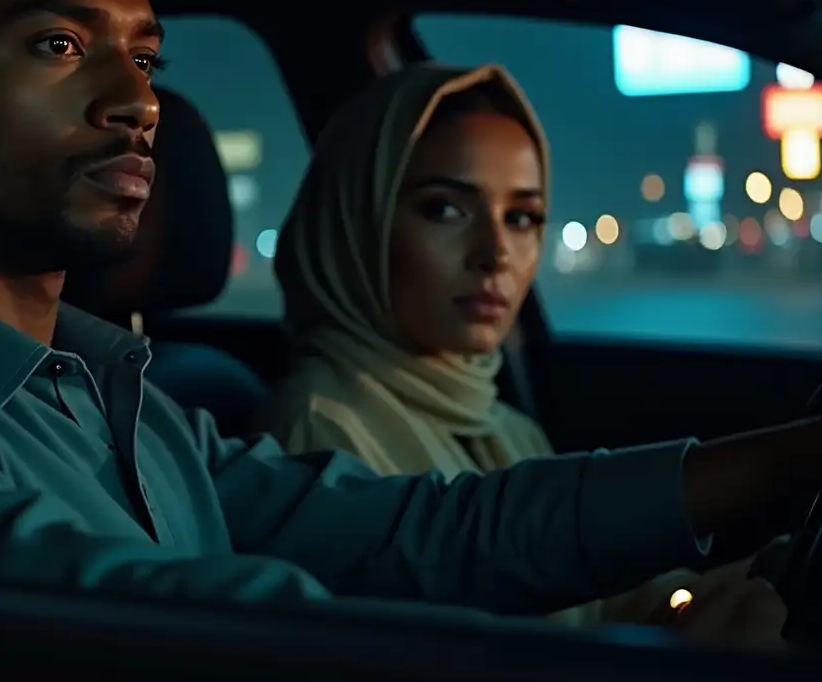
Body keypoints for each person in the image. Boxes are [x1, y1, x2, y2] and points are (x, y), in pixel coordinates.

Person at [0, 0, 805, 647]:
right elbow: (171, 628)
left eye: (144, 59)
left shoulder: (125, 401)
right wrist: (637, 673)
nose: (137, 101)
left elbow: (415, 534)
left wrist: (781, 461)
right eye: (59, 45)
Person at [261, 62, 745, 627]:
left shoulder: (499, 422)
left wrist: (735, 593)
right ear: (354, 220)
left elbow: (589, 602)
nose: (495, 253)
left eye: (521, 217)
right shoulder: (316, 434)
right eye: (444, 209)